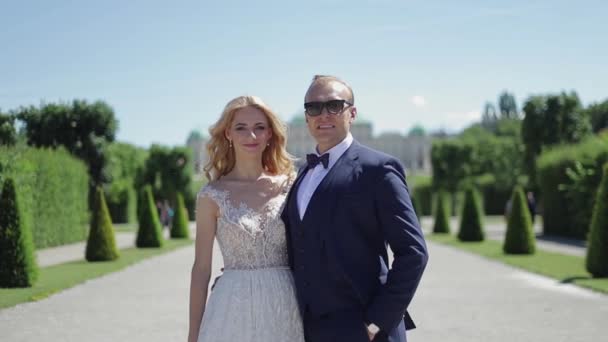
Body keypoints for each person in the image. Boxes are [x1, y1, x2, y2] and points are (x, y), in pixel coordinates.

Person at [281, 75, 428, 342]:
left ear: (352, 113)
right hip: (311, 329)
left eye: (334, 105)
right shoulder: (301, 175)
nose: (323, 114)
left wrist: (376, 322)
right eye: (314, 107)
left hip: (364, 329)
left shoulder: (378, 169)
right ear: (306, 117)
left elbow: (413, 252)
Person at [188, 96, 304, 342]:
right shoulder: (212, 195)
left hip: (284, 306)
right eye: (241, 128)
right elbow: (200, 270)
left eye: (259, 128)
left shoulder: (292, 185)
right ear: (228, 133)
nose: (251, 136)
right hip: (231, 308)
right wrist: (193, 334)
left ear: (270, 134)